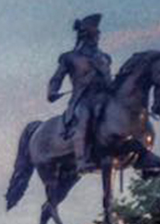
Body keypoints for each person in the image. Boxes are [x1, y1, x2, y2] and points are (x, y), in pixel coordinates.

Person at [48, 13, 113, 173]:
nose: (98, 36)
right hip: (82, 99)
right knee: (84, 118)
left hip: (104, 98)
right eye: (95, 33)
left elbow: (109, 81)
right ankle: (81, 159)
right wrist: (52, 91)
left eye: (98, 33)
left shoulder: (104, 58)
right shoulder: (70, 58)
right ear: (86, 35)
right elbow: (57, 78)